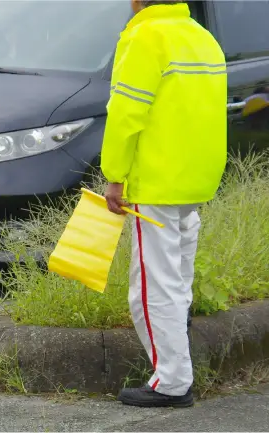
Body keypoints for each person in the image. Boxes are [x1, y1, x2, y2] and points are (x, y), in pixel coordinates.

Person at [100, 0, 227, 408]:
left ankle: (172, 382)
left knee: (154, 289)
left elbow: (125, 112)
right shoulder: (202, 38)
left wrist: (114, 175)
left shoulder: (144, 37)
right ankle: (177, 370)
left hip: (154, 183)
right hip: (195, 181)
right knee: (176, 282)